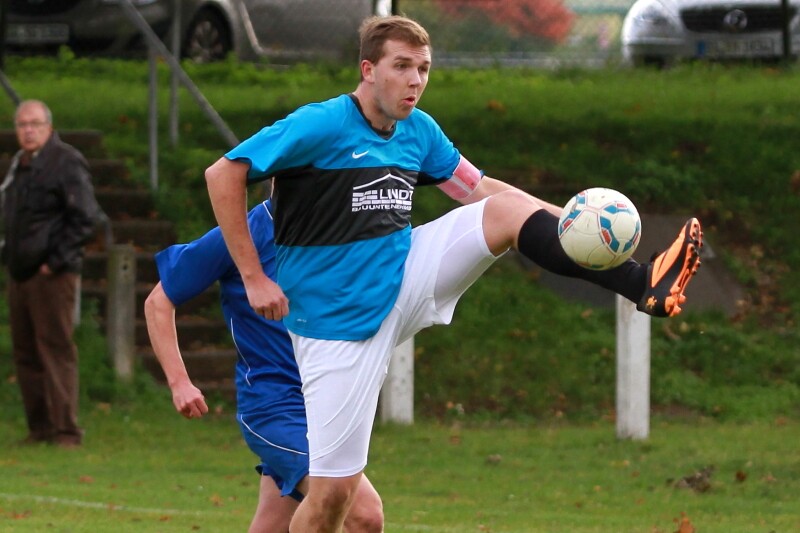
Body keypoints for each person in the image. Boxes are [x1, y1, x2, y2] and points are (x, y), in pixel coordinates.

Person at [204, 15, 703, 532]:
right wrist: (254, 277)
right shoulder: (320, 125)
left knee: (503, 212)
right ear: (368, 70)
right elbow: (223, 174)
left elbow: (480, 190)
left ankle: (642, 283)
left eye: (423, 68)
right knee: (335, 502)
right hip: (335, 326)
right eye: (402, 66)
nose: (415, 80)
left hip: (402, 278)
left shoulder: (419, 131)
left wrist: (576, 224)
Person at [143, 197, 383, 533]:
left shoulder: (335, 229)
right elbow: (158, 301)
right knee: (365, 515)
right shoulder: (243, 234)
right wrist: (179, 382)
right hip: (275, 407)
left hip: (327, 401)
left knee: (271, 525)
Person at [1, 99, 102, 448]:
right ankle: (40, 427)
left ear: (49, 127)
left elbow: (86, 218)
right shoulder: (19, 165)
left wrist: (55, 262)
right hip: (20, 272)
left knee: (55, 348)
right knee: (25, 352)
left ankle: (66, 431)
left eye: (35, 124)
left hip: (52, 274)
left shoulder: (65, 161)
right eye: (22, 125)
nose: (28, 130)